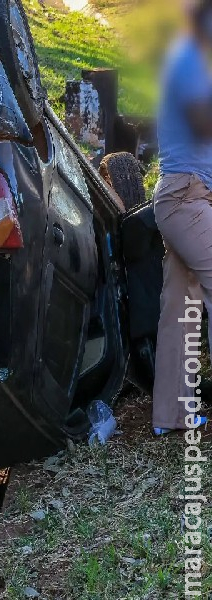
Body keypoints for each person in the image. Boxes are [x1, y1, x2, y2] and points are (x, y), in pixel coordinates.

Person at [152, 0, 212, 434]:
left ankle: (171, 416)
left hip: (185, 197)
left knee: (181, 303)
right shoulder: (189, 56)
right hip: (185, 198)